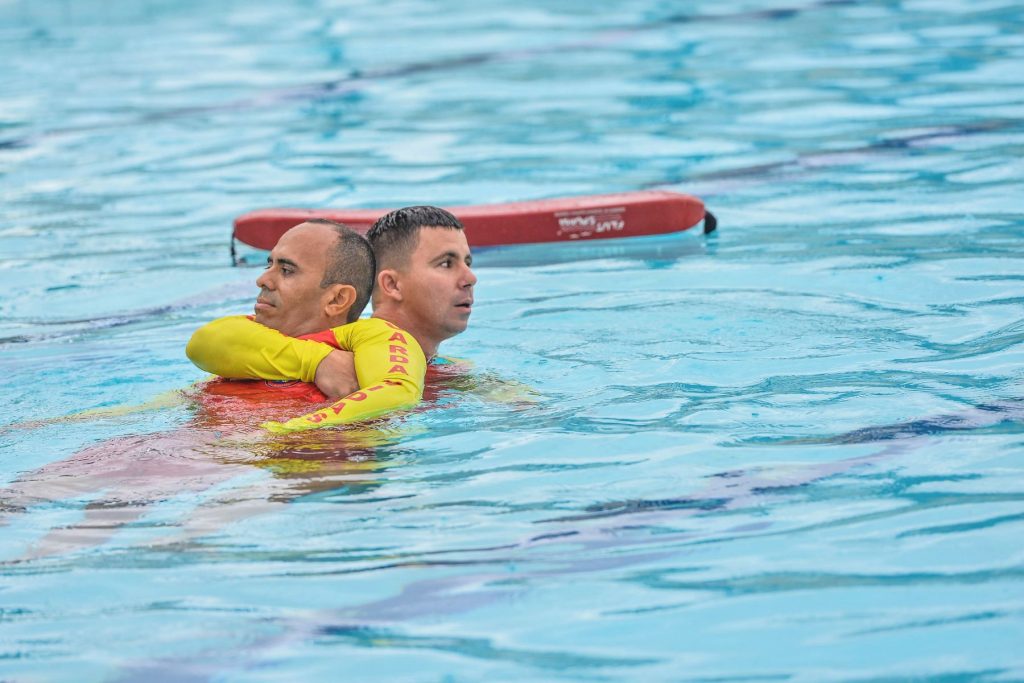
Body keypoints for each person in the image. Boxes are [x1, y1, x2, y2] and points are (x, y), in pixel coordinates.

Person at [187, 206, 476, 433]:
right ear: (390, 284)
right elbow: (203, 343)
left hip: (267, 455)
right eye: (446, 263)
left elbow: (394, 393)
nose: (470, 278)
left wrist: (282, 432)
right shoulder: (264, 336)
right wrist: (317, 361)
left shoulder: (380, 345)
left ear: (338, 300)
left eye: (286, 270)